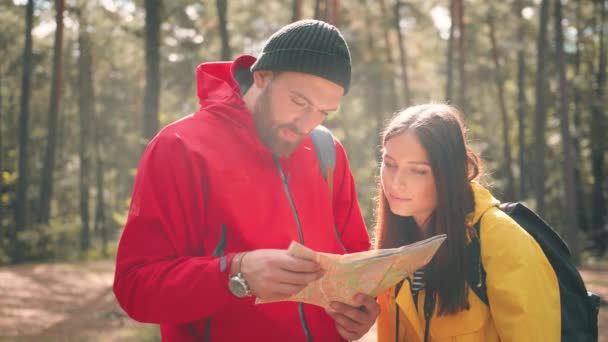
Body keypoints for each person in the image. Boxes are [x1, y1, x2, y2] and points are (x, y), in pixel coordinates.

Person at [113, 20, 378, 341]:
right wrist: (235, 274)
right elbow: (136, 289)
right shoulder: (181, 147)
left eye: (324, 111)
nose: (307, 123)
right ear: (262, 76)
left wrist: (359, 315)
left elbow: (356, 266)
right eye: (299, 102)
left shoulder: (327, 150)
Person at [374, 104, 560, 341]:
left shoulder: (502, 242)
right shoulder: (397, 242)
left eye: (418, 171)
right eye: (389, 164)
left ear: (449, 174)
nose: (395, 182)